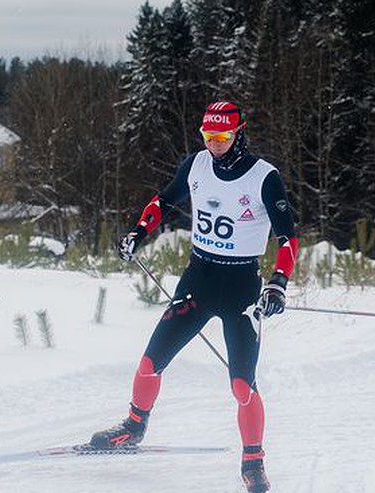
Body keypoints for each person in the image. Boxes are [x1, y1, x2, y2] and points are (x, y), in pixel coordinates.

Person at [86, 101, 298, 493]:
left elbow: (288, 238)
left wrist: (278, 282)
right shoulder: (196, 165)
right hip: (198, 279)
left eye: (222, 137)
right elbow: (162, 202)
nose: (214, 144)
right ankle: (133, 427)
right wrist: (138, 232)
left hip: (241, 289)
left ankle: (253, 461)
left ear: (239, 134)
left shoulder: (265, 177)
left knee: (241, 386)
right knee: (151, 361)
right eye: (208, 136)